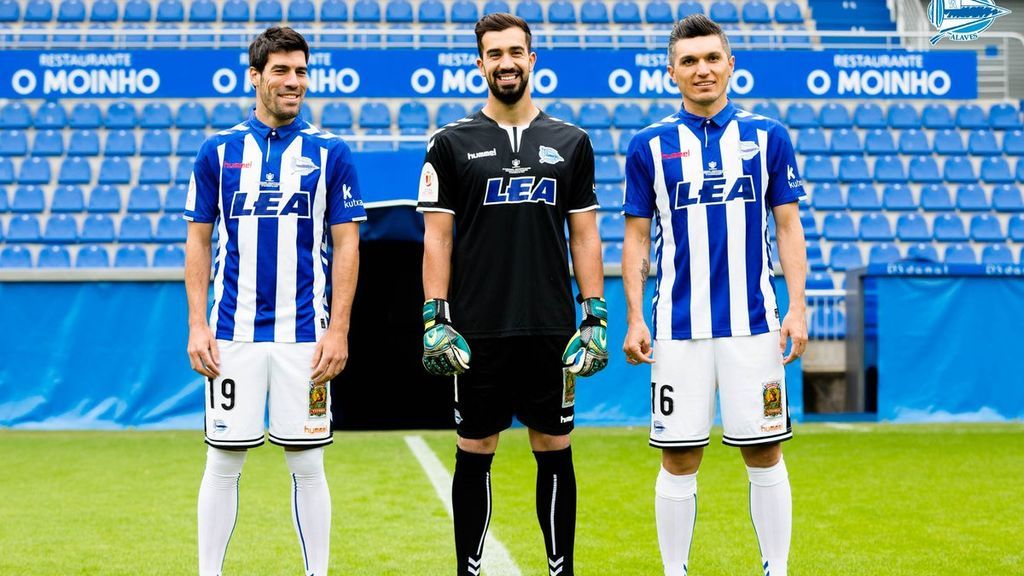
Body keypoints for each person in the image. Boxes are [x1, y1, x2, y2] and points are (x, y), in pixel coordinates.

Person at [416, 13, 608, 576]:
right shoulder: (449, 143)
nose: (506, 63)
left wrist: (594, 315)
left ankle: (561, 570)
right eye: (495, 54)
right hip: (477, 329)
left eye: (516, 52)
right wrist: (434, 316)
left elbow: (585, 234)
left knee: (555, 448)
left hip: (551, 328)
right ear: (480, 64)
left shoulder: (572, 142)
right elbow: (437, 237)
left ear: (532, 59)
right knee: (475, 450)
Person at [621, 15, 808, 576]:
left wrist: (797, 306)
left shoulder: (769, 136)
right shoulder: (648, 145)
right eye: (689, 61)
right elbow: (636, 238)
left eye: (711, 58)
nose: (701, 69)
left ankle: (776, 569)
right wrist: (635, 317)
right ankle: (674, 571)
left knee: (765, 450)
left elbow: (788, 227)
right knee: (679, 457)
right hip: (678, 329)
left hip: (754, 325)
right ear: (672, 72)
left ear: (731, 65)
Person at [184, 26, 365, 576]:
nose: (294, 81)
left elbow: (347, 244)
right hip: (232, 333)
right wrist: (197, 325)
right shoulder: (217, 151)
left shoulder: (331, 153)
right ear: (255, 76)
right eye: (281, 71)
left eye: (301, 71)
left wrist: (339, 330)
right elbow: (198, 240)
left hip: (305, 336)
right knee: (223, 461)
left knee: (308, 464)